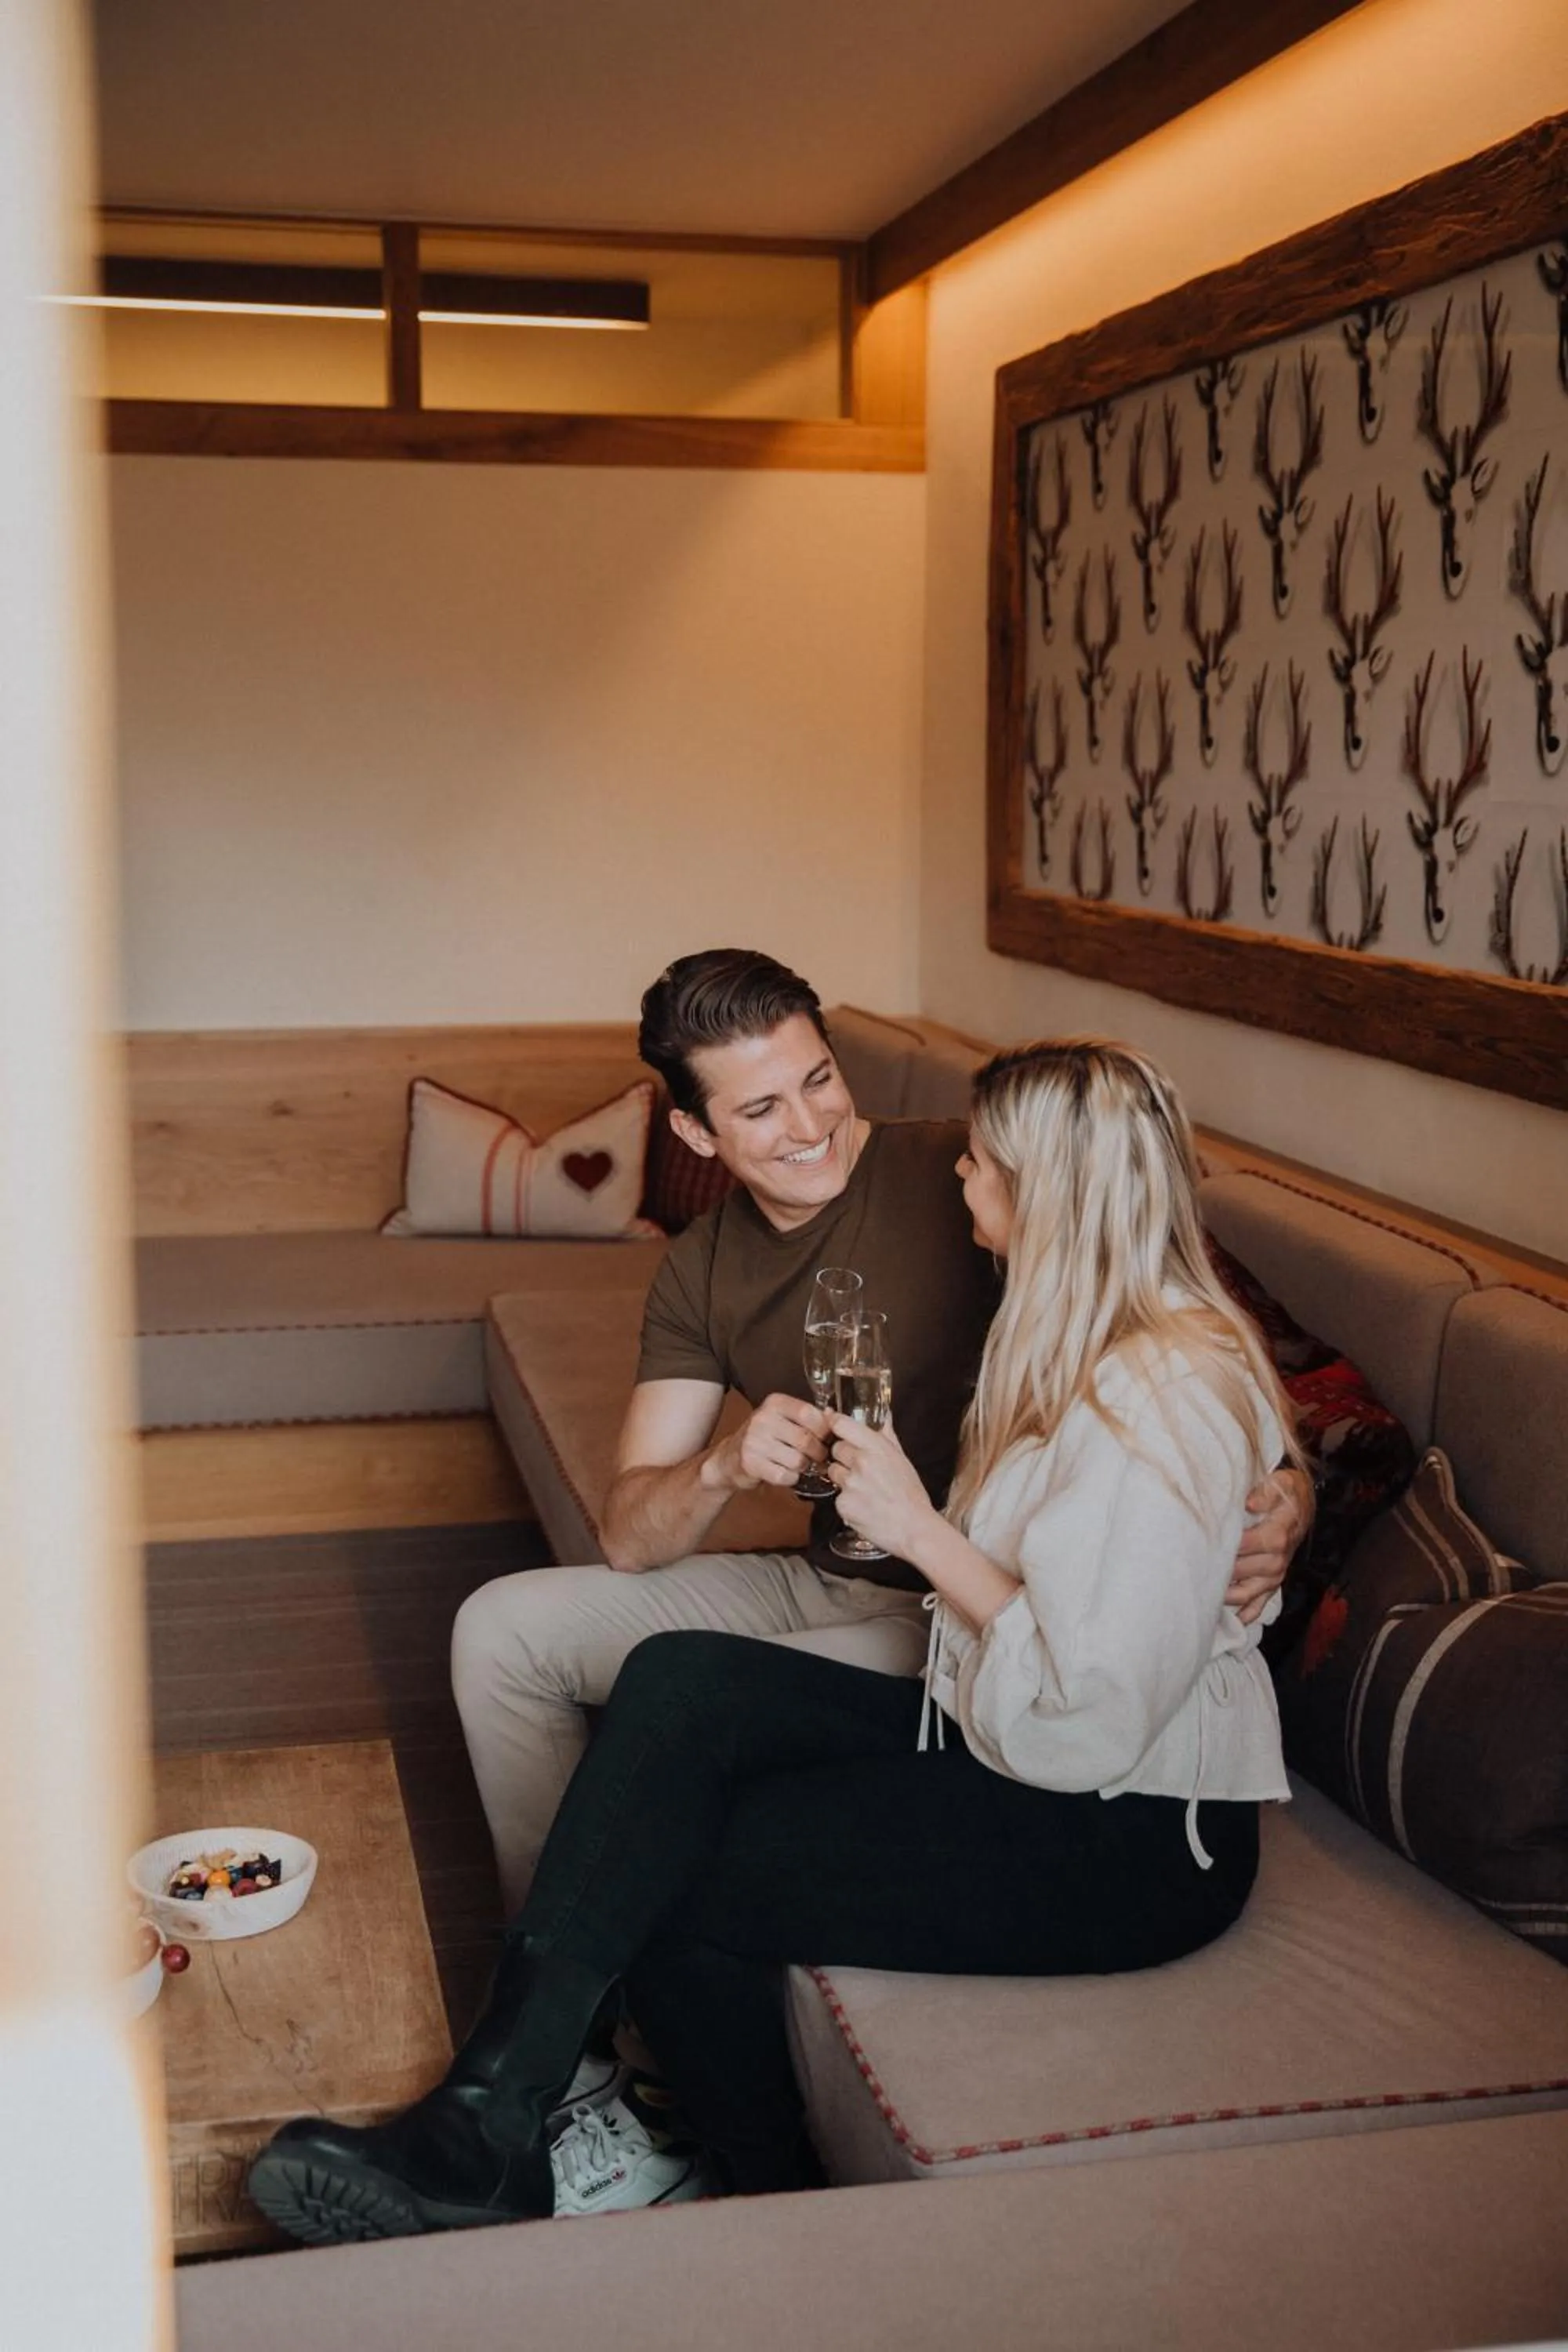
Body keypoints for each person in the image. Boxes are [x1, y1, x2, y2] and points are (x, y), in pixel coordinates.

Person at [250, 1036, 1302, 2241]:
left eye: (987, 1162)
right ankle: (497, 2113)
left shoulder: (1158, 1390)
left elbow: (1089, 1712)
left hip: (1128, 1836)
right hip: (1007, 1735)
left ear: (1051, 1192)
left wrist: (915, 1524)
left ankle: (762, 2203)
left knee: (676, 1864)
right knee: (679, 1679)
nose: (961, 1171)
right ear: (702, 1132)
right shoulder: (1071, 1335)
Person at [450, 950, 1308, 1917]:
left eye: (817, 1079)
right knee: (499, 1634)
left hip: (967, 1618)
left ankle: (609, 1970)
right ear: (693, 1132)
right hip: (823, 1576)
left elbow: (1205, 1345)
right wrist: (725, 1465)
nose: (811, 1127)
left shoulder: (981, 1170)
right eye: (761, 1108)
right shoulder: (700, 1271)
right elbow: (628, 1534)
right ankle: (567, 1979)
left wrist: (1286, 1493)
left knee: (687, 1711)